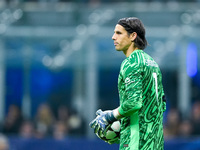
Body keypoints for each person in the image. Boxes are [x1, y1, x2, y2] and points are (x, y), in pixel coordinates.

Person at [90, 17, 166, 150]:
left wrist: (109, 116)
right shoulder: (152, 63)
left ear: (133, 36)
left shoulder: (131, 63)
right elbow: (162, 104)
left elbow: (134, 103)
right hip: (155, 140)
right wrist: (122, 126)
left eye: (119, 33)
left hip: (135, 141)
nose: (113, 37)